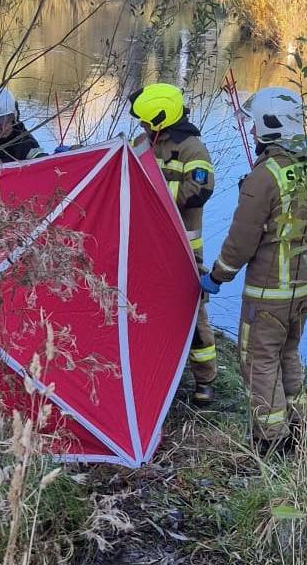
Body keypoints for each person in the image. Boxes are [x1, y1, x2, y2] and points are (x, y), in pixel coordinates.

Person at [200, 86, 307, 455]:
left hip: (267, 294)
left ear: (267, 125)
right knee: (288, 354)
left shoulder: (264, 177)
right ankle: (300, 427)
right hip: (304, 289)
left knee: (259, 362)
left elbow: (241, 241)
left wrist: (216, 276)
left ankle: (272, 442)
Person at [128, 83, 217, 406]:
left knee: (194, 318)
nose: (140, 125)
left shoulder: (193, 149)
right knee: (144, 312)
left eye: (145, 120)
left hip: (183, 251)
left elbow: (201, 190)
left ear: (160, 119)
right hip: (147, 248)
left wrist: (158, 202)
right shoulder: (143, 144)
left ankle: (204, 380)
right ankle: (154, 374)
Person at [0, 86, 47, 163]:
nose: (2, 127)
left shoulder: (24, 140)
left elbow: (38, 157)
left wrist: (45, 158)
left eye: (6, 120)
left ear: (14, 118)